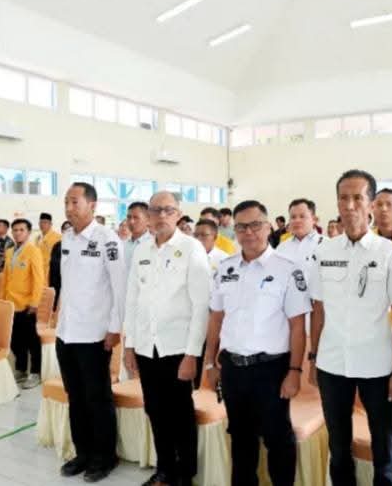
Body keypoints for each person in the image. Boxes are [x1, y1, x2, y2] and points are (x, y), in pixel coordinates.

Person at [308, 170, 392, 486]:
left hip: (377, 364)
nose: (349, 205)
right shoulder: (323, 251)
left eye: (357, 198)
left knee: (383, 444)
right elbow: (318, 309)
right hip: (332, 362)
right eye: (343, 198)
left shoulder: (390, 253)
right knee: (338, 446)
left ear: (371, 204)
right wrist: (313, 358)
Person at [203, 200, 310, 486]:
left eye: (255, 225)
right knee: (241, 437)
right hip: (232, 368)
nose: (248, 232)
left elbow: (297, 326)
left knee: (278, 439)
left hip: (271, 370)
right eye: (241, 227)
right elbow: (216, 319)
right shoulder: (225, 267)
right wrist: (210, 362)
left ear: (268, 227)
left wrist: (295, 371)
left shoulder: (288, 269)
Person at [124, 191, 211, 486]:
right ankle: (164, 469)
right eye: (156, 210)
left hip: (178, 348)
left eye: (168, 210)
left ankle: (184, 474)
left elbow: (201, 306)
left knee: (180, 414)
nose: (161, 215)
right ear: (149, 215)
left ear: (178, 214)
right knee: (155, 409)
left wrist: (192, 354)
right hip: (147, 346)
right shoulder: (142, 249)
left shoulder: (191, 248)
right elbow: (132, 300)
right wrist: (130, 345)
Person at [55, 183, 127, 482]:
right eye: (66, 202)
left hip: (95, 334)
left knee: (97, 398)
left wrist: (114, 328)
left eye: (75, 202)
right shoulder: (67, 237)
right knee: (76, 396)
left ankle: (104, 456)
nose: (69, 208)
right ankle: (82, 452)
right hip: (67, 332)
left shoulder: (107, 239)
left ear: (92, 205)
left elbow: (119, 288)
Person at [3, 219, 45, 390]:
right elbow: (6, 278)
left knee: (31, 340)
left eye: (21, 230)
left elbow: (38, 279)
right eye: (15, 230)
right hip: (10, 303)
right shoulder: (9, 251)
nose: (18, 233)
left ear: (28, 232)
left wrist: (34, 302)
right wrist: (2, 300)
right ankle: (20, 369)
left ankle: (35, 372)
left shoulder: (33, 251)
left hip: (27, 304)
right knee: (15, 339)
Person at [276, 199, 323, 270]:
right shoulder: (281, 248)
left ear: (314, 219)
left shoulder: (327, 245)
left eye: (302, 216)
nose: (297, 221)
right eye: (293, 217)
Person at [37, 212, 62, 284]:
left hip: (51, 273)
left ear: (51, 224)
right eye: (41, 222)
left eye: (45, 222)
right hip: (39, 271)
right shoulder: (37, 238)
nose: (42, 225)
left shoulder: (58, 237)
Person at [125, 202, 153, 267]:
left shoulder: (153, 245)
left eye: (136, 218)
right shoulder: (123, 244)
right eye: (129, 217)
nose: (131, 221)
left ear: (148, 220)